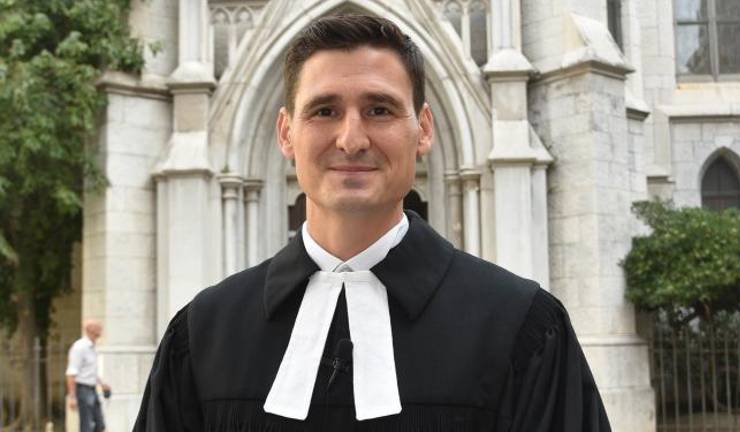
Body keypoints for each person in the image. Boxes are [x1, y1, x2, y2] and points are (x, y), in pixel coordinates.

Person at [134, 14, 611, 431]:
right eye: (324, 110)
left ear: (423, 130)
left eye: (379, 110)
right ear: (286, 133)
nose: (351, 139)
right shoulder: (204, 335)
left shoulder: (521, 328)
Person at [66, 319, 111, 432]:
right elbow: (71, 373)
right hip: (82, 390)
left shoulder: (92, 347)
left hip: (92, 390)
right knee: (86, 426)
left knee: (100, 425)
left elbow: (91, 371)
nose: (101, 328)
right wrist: (72, 397)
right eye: (98, 326)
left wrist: (102, 384)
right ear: (90, 329)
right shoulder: (79, 347)